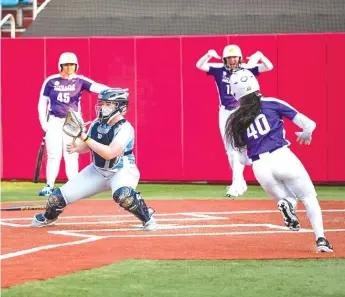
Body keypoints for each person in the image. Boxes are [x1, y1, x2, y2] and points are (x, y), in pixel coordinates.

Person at [224, 69, 333, 252]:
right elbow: (309, 124)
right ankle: (321, 239)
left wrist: (256, 156)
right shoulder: (271, 103)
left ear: (235, 92)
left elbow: (242, 158)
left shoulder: (234, 119)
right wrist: (306, 134)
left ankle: (287, 203)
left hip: (260, 167)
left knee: (289, 198)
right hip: (281, 155)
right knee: (308, 197)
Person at [31, 88, 157, 231]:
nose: (103, 107)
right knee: (56, 198)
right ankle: (49, 217)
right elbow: (88, 146)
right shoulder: (97, 123)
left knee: (124, 196)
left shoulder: (125, 128)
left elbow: (110, 153)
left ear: (120, 106)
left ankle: (147, 217)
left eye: (109, 104)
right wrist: (77, 146)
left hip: (121, 170)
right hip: (97, 170)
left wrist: (84, 137)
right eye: (102, 103)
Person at [196, 44, 274, 197]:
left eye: (235, 57)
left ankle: (240, 182)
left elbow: (268, 67)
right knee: (231, 150)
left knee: (244, 148)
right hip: (225, 112)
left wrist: (260, 54)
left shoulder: (247, 68)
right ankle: (238, 182)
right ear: (225, 59)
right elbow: (199, 65)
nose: (232, 60)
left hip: (243, 110)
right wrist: (208, 54)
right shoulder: (220, 70)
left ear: (239, 58)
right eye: (229, 57)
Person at [38, 52, 110, 196]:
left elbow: (96, 87)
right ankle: (49, 186)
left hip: (72, 122)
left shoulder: (79, 80)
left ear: (76, 65)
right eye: (66, 64)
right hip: (54, 121)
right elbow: (42, 102)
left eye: (72, 64)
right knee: (53, 155)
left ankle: (73, 186)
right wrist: (43, 122)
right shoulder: (51, 81)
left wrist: (114, 90)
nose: (69, 67)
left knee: (71, 153)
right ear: (61, 65)